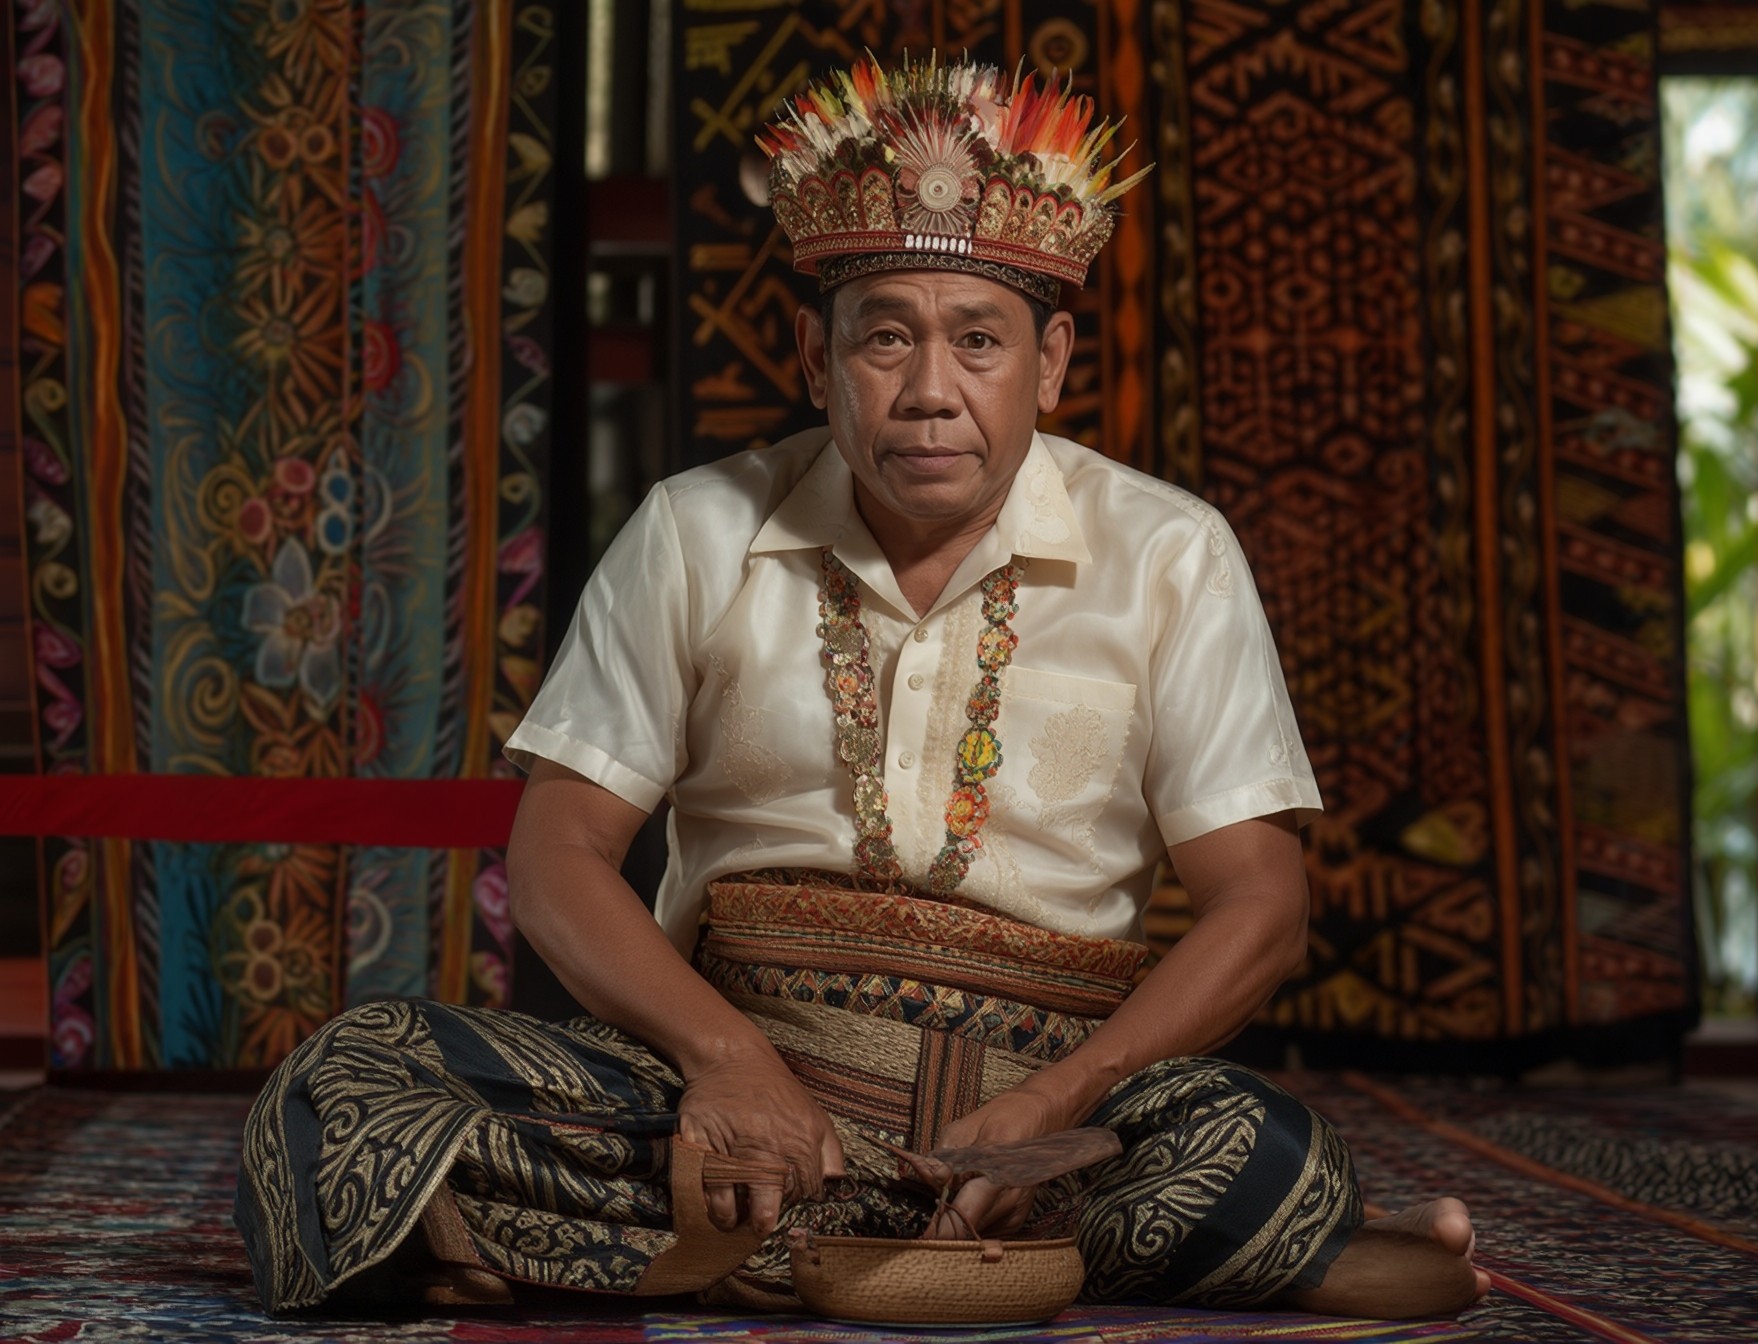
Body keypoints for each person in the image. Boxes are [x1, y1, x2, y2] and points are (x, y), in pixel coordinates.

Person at [236, 55, 1489, 1319]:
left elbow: (1260, 906)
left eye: (979, 341)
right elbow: (558, 851)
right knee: (352, 1082)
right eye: (885, 335)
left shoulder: (1169, 552)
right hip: (727, 1107)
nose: (929, 388)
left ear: (1049, 363)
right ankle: (1153, 1261)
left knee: (1244, 1146)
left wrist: (1059, 1102)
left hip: (1047, 1121)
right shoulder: (692, 530)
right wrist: (727, 1060)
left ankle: (674, 1252)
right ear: (814, 351)